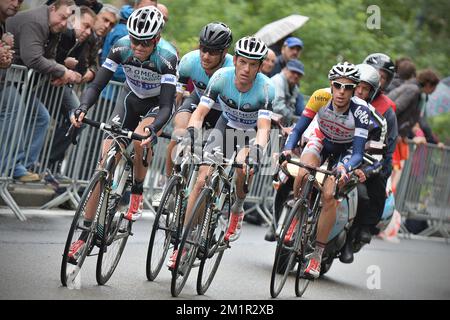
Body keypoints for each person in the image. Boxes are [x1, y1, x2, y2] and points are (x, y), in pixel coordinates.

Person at [68, 6, 177, 260]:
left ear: (157, 39)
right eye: (135, 40)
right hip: (129, 99)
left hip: (156, 105)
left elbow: (166, 105)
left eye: (145, 42)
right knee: (104, 160)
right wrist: (83, 106)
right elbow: (97, 84)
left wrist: (152, 128)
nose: (138, 47)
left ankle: (137, 191)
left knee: (140, 139)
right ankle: (84, 235)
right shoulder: (120, 46)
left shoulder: (167, 58)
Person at [167, 36, 276, 268]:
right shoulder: (220, 77)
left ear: (259, 67)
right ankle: (184, 243)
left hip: (250, 133)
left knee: (242, 166)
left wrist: (256, 151)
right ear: (235, 60)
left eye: (253, 64)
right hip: (225, 128)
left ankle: (237, 207)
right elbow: (200, 113)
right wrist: (194, 134)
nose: (246, 69)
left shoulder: (266, 88)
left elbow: (264, 128)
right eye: (243, 62)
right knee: (202, 180)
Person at [282, 62, 370, 278]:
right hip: (322, 140)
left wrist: (345, 167)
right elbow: (299, 129)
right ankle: (297, 212)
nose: (341, 91)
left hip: (346, 151)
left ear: (354, 89)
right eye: (338, 85)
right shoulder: (319, 97)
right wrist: (286, 149)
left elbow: (358, 153)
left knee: (329, 195)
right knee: (303, 171)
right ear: (331, 85)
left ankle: (317, 255)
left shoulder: (361, 111)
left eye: (348, 87)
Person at [6, 0, 80, 178]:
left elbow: (49, 57)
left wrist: (59, 73)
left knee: (41, 117)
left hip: (16, 80)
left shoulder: (52, 26)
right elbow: (32, 58)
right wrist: (62, 70)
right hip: (8, 78)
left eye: (66, 20)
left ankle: (22, 167)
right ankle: (13, 167)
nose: (63, 23)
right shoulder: (36, 21)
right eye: (61, 17)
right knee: (17, 114)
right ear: (52, 8)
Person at [339, 63, 397, 263]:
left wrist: (366, 171)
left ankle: (349, 239)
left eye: (366, 89)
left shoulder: (379, 119)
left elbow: (379, 154)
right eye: (357, 86)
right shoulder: (329, 102)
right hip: (330, 159)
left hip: (358, 167)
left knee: (362, 196)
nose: (360, 92)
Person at [165, 22, 233, 177]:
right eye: (203, 49)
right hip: (198, 100)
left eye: (213, 52)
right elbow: (177, 95)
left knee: (216, 161)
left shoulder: (232, 70)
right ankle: (166, 185)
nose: (206, 56)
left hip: (222, 111)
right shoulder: (189, 61)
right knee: (178, 135)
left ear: (224, 52)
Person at [271, 59, 305, 126]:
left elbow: (291, 107)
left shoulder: (294, 87)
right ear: (285, 70)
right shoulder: (278, 80)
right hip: (265, 119)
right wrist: (291, 119)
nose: (296, 76)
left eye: (299, 74)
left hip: (278, 121)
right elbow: (277, 108)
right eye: (293, 72)